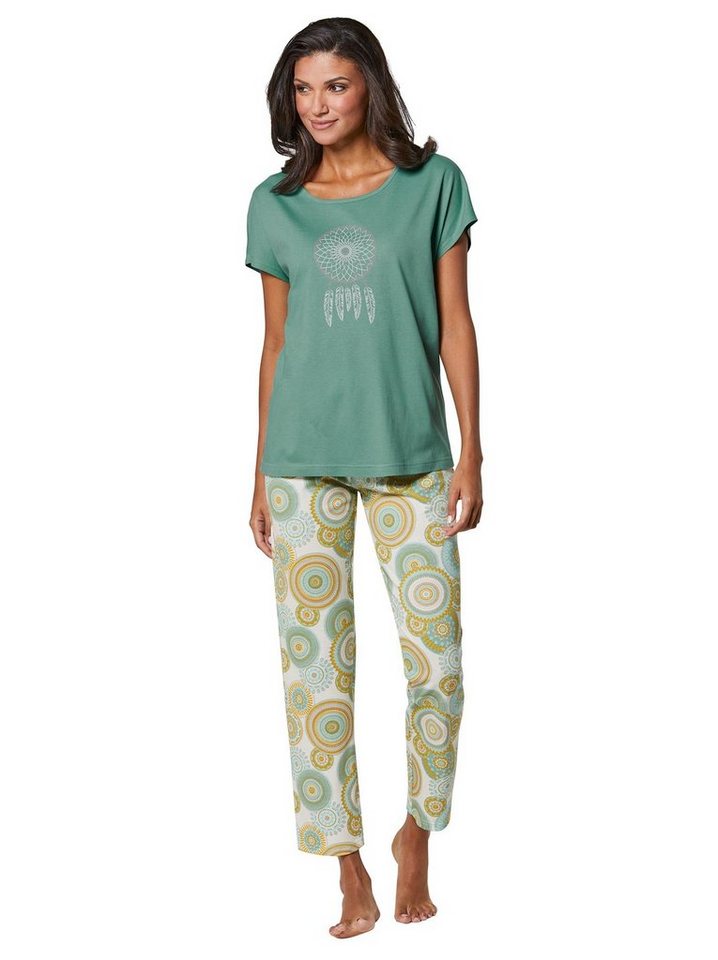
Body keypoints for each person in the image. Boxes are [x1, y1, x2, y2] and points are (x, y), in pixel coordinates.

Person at [246, 16, 483, 939]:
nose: (318, 105)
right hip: (301, 465)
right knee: (316, 676)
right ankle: (346, 865)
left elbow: (456, 323)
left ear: (369, 86)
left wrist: (472, 449)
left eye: (335, 86)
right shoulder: (274, 204)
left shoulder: (434, 185)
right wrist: (259, 471)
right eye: (303, 89)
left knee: (438, 665)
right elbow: (276, 345)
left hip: (413, 458)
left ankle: (416, 831)